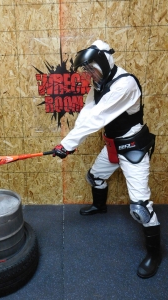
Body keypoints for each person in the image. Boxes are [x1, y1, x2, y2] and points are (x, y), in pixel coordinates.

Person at [52, 40, 161, 278]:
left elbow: (97, 118)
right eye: (86, 70)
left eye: (91, 68)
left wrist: (68, 144)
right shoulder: (99, 83)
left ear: (103, 62)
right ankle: (100, 207)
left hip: (132, 147)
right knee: (94, 177)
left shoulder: (125, 84)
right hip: (112, 144)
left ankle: (155, 253)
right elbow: (88, 113)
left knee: (141, 208)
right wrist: (67, 145)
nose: (89, 74)